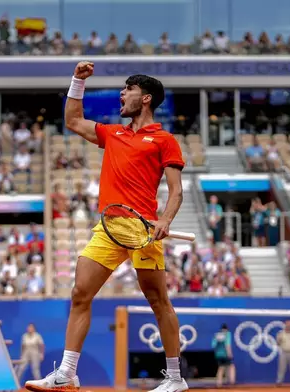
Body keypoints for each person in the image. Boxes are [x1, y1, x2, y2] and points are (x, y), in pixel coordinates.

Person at [25, 62, 187, 392]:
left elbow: (177, 190)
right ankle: (67, 373)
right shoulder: (113, 134)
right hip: (109, 228)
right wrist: (77, 81)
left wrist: (165, 219)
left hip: (143, 231)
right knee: (80, 293)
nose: (121, 94)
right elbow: (72, 121)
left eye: (128, 90)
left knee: (159, 301)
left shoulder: (164, 140)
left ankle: (175, 378)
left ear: (146, 98)